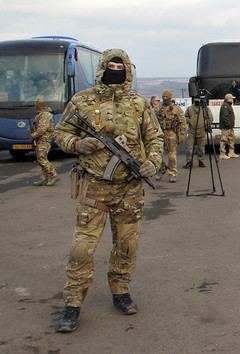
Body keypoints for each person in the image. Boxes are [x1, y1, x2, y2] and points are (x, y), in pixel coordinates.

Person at [54, 49, 163, 333]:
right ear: (103, 67)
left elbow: (154, 137)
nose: (116, 69)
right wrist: (78, 145)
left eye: (121, 65)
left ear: (128, 70)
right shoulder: (83, 101)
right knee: (82, 248)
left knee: (127, 245)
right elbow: (61, 133)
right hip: (94, 187)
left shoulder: (139, 103)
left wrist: (153, 161)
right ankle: (73, 303)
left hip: (130, 188)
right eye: (111, 65)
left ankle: (121, 290)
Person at [155, 90, 185, 182]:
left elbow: (182, 122)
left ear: (170, 98)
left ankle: (172, 173)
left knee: (172, 156)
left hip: (172, 133)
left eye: (166, 97)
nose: (165, 98)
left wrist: (181, 134)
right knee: (158, 154)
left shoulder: (176, 109)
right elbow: (154, 121)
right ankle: (161, 169)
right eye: (163, 97)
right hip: (161, 133)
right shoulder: (159, 108)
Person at [31, 98, 59, 186]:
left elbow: (42, 129)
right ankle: (44, 179)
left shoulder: (45, 115)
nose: (36, 106)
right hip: (41, 140)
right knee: (41, 159)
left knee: (42, 159)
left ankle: (54, 175)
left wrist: (33, 135)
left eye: (37, 104)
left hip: (44, 140)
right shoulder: (40, 114)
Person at [183, 97, 213, 168]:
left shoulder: (205, 109)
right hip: (191, 131)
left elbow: (210, 118)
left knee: (201, 148)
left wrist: (205, 123)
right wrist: (190, 120)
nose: (197, 101)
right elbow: (185, 117)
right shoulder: (189, 108)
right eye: (195, 99)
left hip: (201, 131)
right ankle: (189, 162)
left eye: (198, 99)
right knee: (189, 148)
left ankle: (201, 161)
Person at [219, 93, 239, 160]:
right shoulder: (225, 106)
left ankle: (231, 152)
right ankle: (222, 154)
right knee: (224, 140)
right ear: (228, 99)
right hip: (226, 127)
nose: (233, 100)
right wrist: (228, 125)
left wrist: (230, 126)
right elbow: (225, 117)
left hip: (230, 126)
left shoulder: (228, 105)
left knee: (232, 139)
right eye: (232, 99)